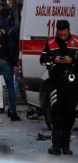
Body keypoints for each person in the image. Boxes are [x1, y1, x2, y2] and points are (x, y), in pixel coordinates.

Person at [40, 20, 78, 155]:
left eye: (65, 34)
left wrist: (72, 60)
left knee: (70, 114)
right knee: (56, 112)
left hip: (72, 82)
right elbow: (42, 59)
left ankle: (65, 146)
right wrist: (54, 59)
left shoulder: (76, 42)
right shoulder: (51, 43)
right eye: (60, 35)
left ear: (69, 30)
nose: (62, 37)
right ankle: (56, 145)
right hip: (56, 81)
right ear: (57, 31)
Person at [0, 7, 21, 121]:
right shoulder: (10, 29)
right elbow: (12, 48)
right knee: (10, 88)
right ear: (8, 16)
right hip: (5, 61)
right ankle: (13, 112)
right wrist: (14, 63)